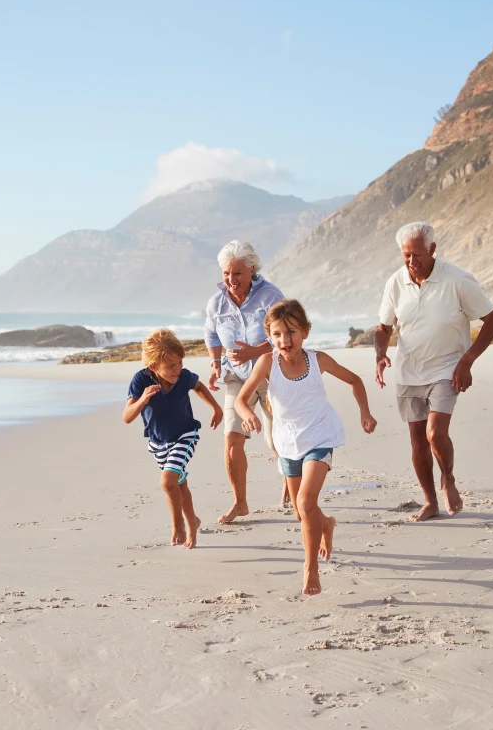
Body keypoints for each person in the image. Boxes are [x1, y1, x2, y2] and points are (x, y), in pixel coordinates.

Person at [237, 300, 377, 595]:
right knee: (304, 513)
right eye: (276, 334)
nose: (284, 340)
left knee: (303, 502)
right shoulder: (266, 363)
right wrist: (248, 413)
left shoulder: (318, 360)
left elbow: (354, 380)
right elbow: (241, 398)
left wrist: (365, 412)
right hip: (287, 443)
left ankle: (310, 568)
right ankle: (326, 524)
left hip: (320, 438)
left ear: (305, 332)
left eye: (291, 332)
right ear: (269, 337)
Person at [374, 222, 493, 522]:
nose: (411, 262)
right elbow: (383, 327)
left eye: (417, 254)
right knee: (417, 439)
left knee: (435, 433)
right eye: (406, 255)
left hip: (447, 368)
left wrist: (467, 360)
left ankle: (448, 478)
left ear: (432, 250)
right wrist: (380, 355)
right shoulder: (396, 282)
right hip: (408, 371)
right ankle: (430, 501)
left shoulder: (458, 280)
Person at [203, 240, 286, 524]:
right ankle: (240, 503)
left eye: (237, 273)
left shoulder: (271, 296)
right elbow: (212, 336)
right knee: (232, 440)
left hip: (272, 373)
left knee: (278, 439)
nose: (231, 280)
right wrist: (215, 363)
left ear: (252, 269)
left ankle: (291, 481)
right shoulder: (216, 302)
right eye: (227, 273)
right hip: (236, 377)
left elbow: (286, 334)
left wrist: (256, 351)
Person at [123, 328, 223, 548]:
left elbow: (198, 386)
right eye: (170, 366)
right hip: (158, 442)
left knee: (168, 482)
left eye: (179, 363)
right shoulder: (140, 380)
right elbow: (127, 417)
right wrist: (143, 399)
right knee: (179, 485)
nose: (177, 369)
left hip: (185, 435)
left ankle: (177, 524)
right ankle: (192, 523)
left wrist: (216, 407)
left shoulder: (183, 376)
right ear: (153, 367)